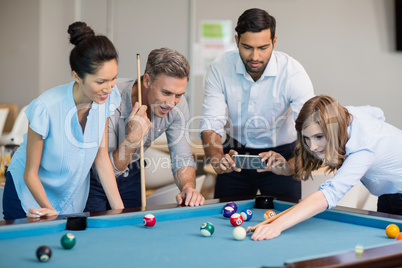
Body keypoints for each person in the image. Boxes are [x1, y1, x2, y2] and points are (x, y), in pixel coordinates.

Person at [2, 22, 124, 220]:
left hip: (70, 198)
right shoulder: (46, 107)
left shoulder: (106, 98)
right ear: (77, 76)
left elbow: (100, 158)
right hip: (28, 197)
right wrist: (50, 211)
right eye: (100, 81)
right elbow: (30, 174)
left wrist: (121, 211)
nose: (109, 88)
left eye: (113, 79)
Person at [248, 95, 402, 240]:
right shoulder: (344, 115)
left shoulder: (363, 149)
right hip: (388, 195)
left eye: (319, 137)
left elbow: (330, 194)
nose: (313, 147)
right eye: (306, 138)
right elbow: (378, 113)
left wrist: (277, 226)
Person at [200, 8, 314, 200]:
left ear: (274, 42)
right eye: (247, 47)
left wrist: (290, 166)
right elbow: (211, 124)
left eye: (263, 48)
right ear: (236, 41)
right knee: (226, 216)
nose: (255, 57)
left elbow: (311, 130)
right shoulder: (220, 68)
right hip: (234, 155)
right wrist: (217, 159)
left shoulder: (293, 73)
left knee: (285, 220)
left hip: (282, 155)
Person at [85, 48, 205, 212]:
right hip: (94, 175)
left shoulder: (178, 104)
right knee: (96, 232)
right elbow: (105, 169)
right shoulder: (109, 97)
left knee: (133, 230)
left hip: (133, 172)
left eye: (178, 95)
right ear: (147, 81)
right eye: (166, 92)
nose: (171, 103)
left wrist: (187, 187)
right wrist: (132, 139)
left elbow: (182, 157)